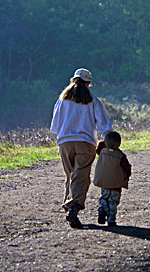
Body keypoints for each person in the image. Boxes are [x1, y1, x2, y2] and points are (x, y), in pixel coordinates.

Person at [50, 68, 112, 228]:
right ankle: (74, 207)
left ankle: (69, 205)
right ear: (88, 83)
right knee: (81, 176)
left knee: (70, 175)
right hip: (85, 142)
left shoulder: (61, 101)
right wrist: (108, 140)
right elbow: (104, 125)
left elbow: (55, 127)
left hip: (64, 142)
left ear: (73, 81)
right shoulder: (92, 100)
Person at [93, 130, 132, 226]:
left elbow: (99, 147)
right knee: (113, 201)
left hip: (104, 182)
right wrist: (126, 176)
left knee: (104, 196)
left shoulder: (102, 152)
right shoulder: (121, 156)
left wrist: (105, 142)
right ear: (119, 144)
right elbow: (128, 168)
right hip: (116, 184)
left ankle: (102, 208)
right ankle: (111, 219)